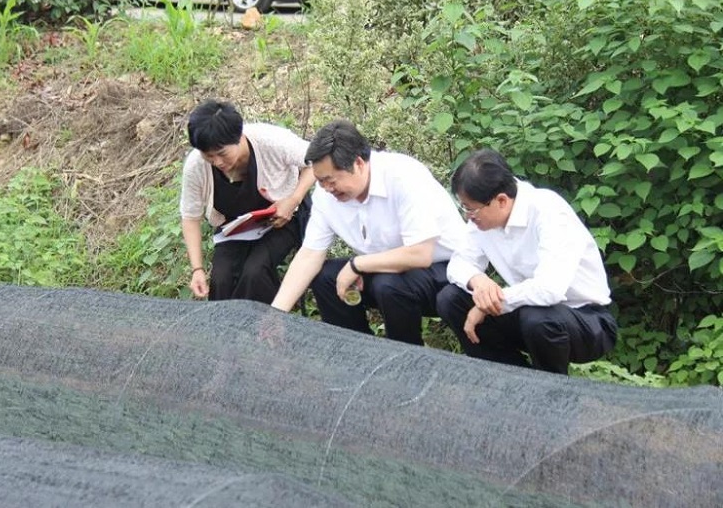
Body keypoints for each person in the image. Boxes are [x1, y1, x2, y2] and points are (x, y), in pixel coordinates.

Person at [270, 119, 468, 346]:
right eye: (320, 181)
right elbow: (309, 255)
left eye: (330, 180)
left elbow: (420, 254)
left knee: (388, 284)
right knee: (325, 277)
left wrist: (358, 265)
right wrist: (276, 314)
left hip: (446, 271)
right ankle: (356, 353)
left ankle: (406, 359)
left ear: (358, 163)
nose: (326, 188)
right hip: (386, 269)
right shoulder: (326, 195)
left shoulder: (403, 176)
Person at [436, 148, 618, 374]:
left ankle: (549, 390)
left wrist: (490, 304)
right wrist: (478, 281)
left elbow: (549, 290)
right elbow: (459, 263)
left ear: (501, 201)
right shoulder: (482, 220)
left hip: (586, 320)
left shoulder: (549, 211)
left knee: (538, 318)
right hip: (527, 313)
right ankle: (507, 379)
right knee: (450, 299)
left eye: (471, 209)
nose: (468, 216)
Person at [180, 99, 316, 303]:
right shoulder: (196, 166)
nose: (217, 162)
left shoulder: (270, 141)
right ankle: (226, 324)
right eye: (209, 156)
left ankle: (270, 321)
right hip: (235, 228)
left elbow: (316, 161)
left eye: (222, 154)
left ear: (239, 136)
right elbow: (190, 217)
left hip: (283, 219)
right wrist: (197, 269)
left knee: (255, 271)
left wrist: (293, 199)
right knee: (221, 279)